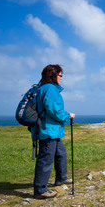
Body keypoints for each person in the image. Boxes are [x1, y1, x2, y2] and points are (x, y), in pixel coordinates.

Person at [32, 64, 75, 200]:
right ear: (53, 75)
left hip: (52, 130)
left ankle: (61, 178)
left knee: (60, 153)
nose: (61, 77)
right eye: (60, 75)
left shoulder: (46, 88)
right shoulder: (50, 89)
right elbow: (54, 110)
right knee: (46, 159)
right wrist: (68, 116)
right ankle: (40, 189)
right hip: (48, 130)